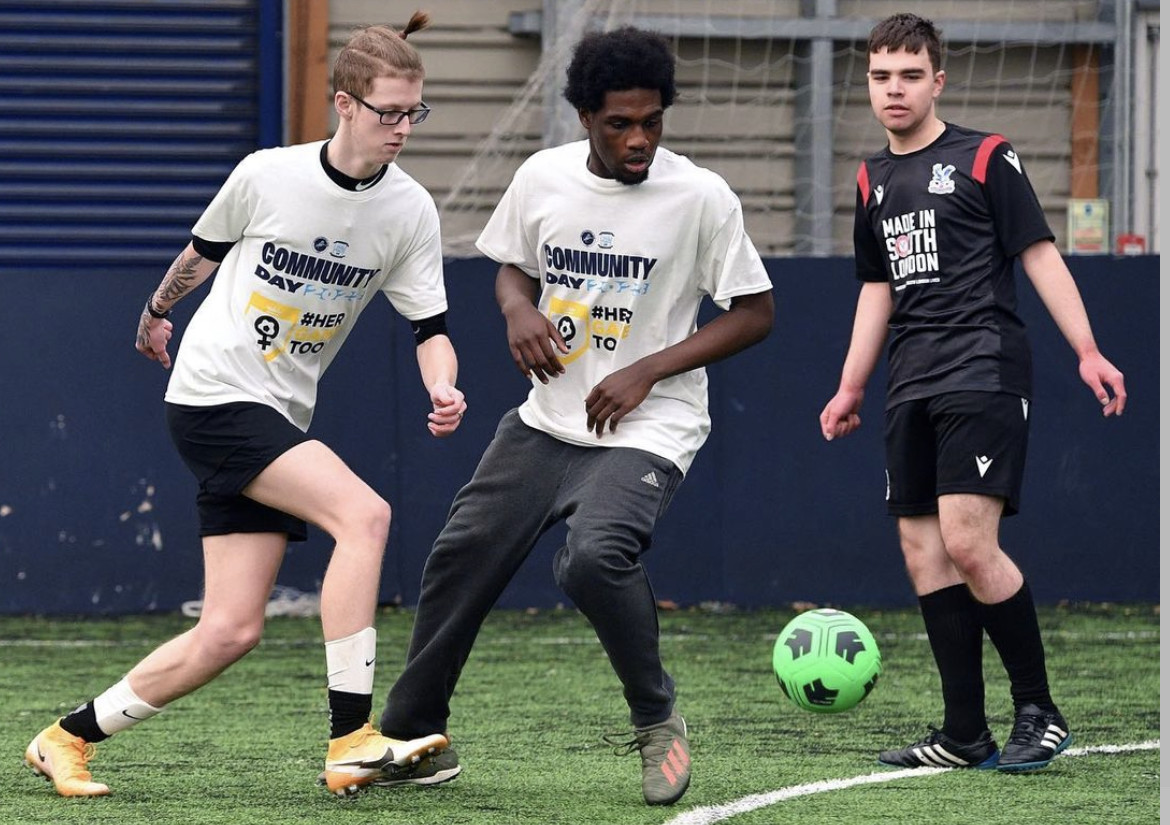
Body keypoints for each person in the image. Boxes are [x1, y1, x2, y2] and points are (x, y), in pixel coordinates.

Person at [23, 12, 467, 799]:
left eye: (413, 112)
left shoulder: (410, 212)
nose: (403, 128)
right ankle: (352, 739)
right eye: (388, 111)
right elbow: (201, 253)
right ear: (345, 104)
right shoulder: (268, 174)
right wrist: (155, 312)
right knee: (363, 516)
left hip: (277, 413)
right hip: (213, 395)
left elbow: (430, 326)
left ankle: (64, 738)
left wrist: (442, 382)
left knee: (230, 630)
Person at [370, 26, 773, 807]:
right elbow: (513, 268)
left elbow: (756, 312)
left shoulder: (700, 196)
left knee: (594, 555)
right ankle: (416, 734)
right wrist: (518, 308)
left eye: (652, 121)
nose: (639, 139)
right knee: (461, 553)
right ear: (584, 116)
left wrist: (649, 368)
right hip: (547, 419)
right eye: (620, 123)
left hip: (650, 425)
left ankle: (657, 720)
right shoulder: (543, 176)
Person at [820, 13, 1126, 773]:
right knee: (923, 551)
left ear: (938, 80)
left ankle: (1039, 711)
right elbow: (875, 288)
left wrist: (1086, 349)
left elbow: (1039, 254)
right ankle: (964, 732)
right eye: (882, 75)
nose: (895, 89)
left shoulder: (987, 155)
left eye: (910, 75)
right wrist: (851, 383)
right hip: (909, 381)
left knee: (967, 540)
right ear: (868, 81)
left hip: (983, 369)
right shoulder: (870, 178)